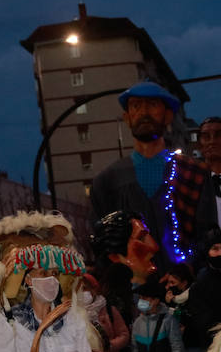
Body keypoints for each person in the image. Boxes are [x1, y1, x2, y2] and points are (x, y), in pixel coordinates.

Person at [89, 82, 210, 269]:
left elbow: (206, 234)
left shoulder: (193, 172)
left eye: (152, 105)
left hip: (188, 285)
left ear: (168, 115)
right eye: (136, 106)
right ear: (127, 117)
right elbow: (104, 245)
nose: (144, 113)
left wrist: (187, 270)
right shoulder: (107, 181)